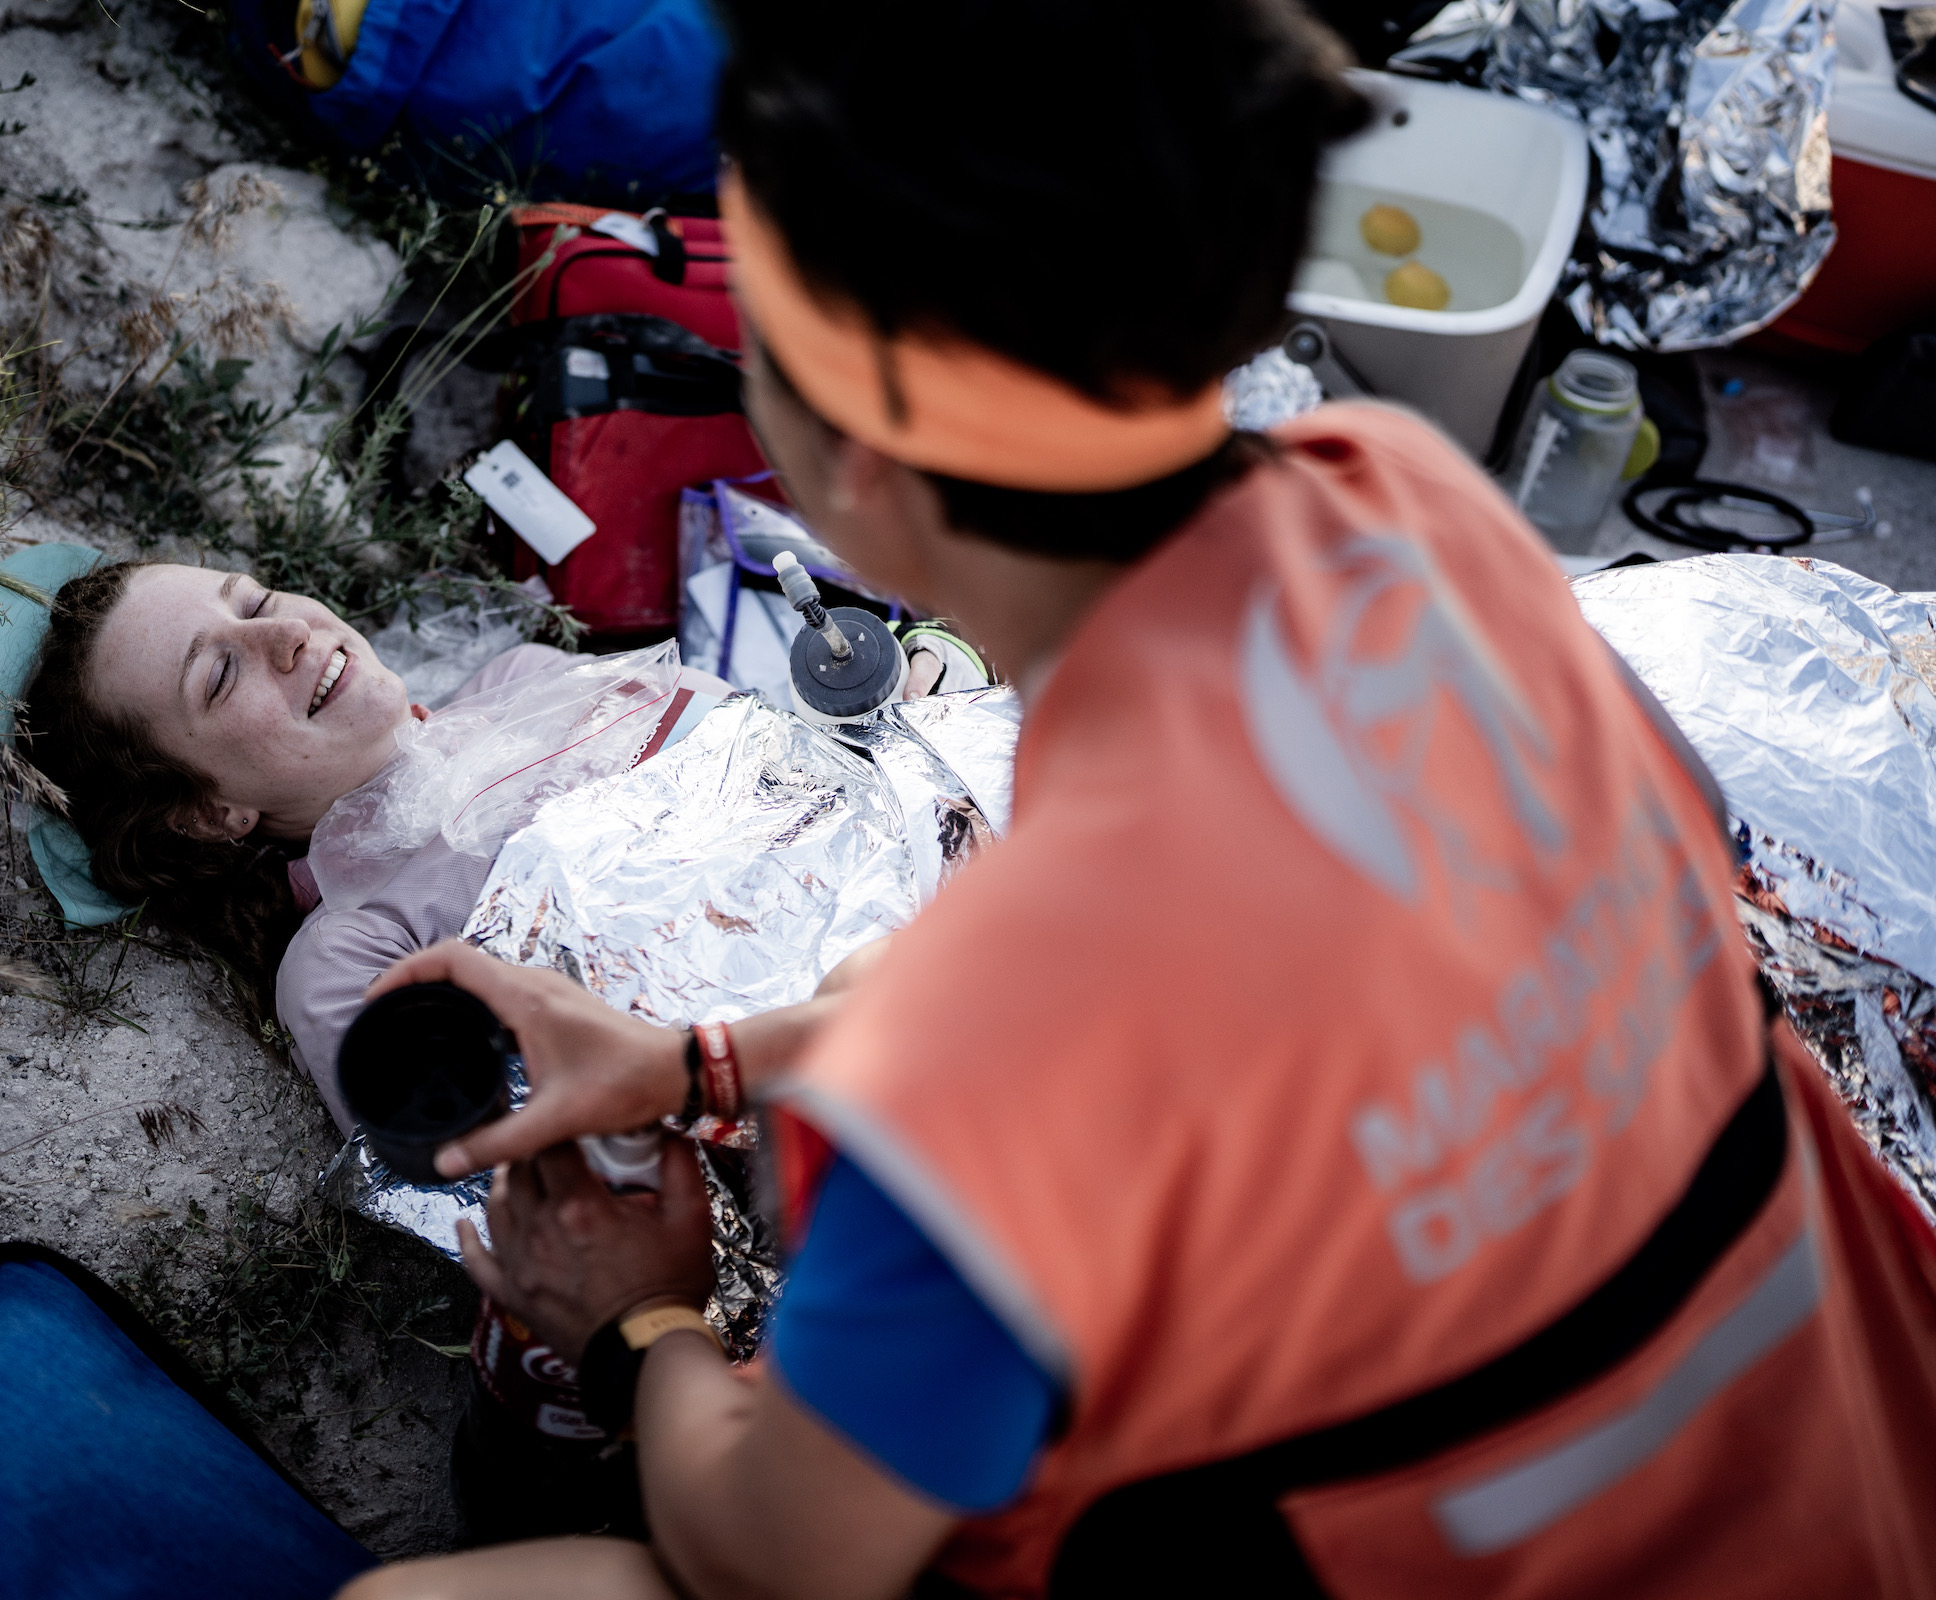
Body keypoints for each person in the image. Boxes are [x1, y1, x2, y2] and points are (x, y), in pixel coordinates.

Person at [341, 0, 1936, 1595]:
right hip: (1860, 1448)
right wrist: (699, 1063)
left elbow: (781, 1557)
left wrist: (637, 1323)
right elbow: (1241, 1003)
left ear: (861, 464)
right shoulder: (1399, 502)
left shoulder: (982, 1053)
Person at [16, 560, 733, 1129]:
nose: (288, 632)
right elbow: (511, 1171)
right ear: (207, 812)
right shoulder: (347, 960)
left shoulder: (528, 680)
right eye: (221, 675)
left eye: (256, 602)